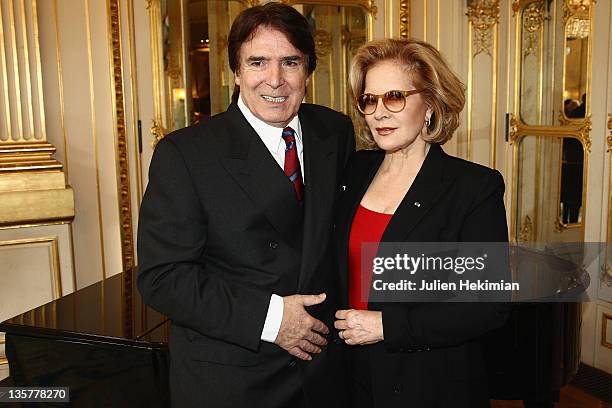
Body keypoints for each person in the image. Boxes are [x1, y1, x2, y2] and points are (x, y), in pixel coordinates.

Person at [137, 3, 355, 407]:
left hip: (323, 374)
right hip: (234, 380)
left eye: (290, 62)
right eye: (258, 62)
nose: (275, 80)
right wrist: (272, 320)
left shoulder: (334, 131)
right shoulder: (185, 154)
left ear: (309, 70)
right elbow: (163, 277)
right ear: (235, 72)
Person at [333, 38, 509, 408]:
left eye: (394, 96)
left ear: (429, 103)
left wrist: (387, 326)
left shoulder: (473, 187)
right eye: (369, 100)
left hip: (429, 382)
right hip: (351, 375)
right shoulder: (353, 170)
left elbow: (488, 305)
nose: (379, 112)